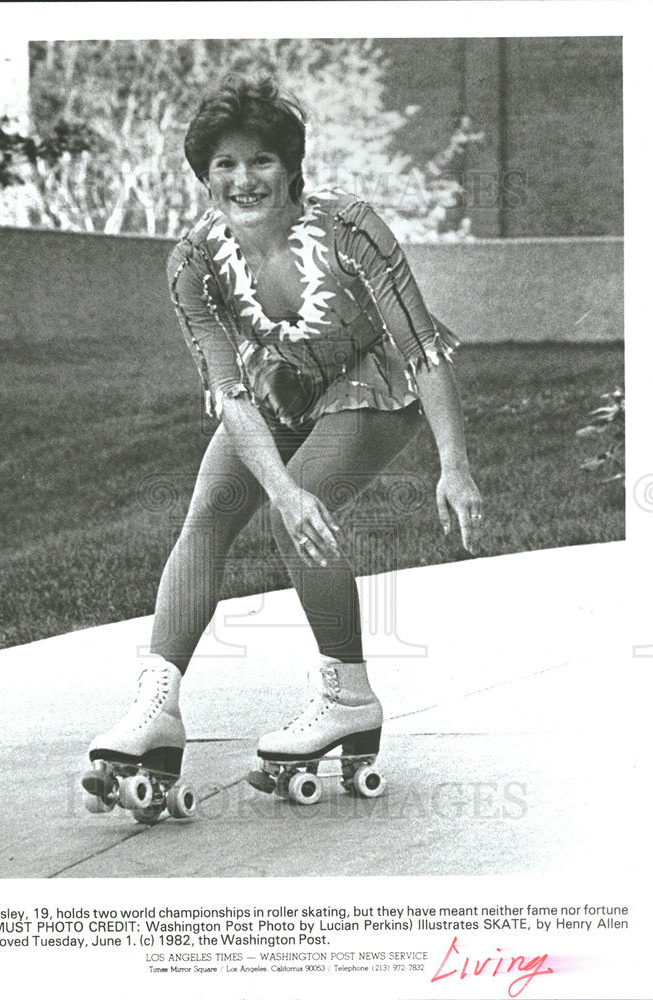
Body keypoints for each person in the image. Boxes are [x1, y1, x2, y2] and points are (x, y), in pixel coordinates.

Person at [85, 76, 483, 798]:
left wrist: (452, 462)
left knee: (297, 514)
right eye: (225, 166)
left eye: (261, 160)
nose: (245, 179)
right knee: (210, 510)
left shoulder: (350, 227)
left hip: (375, 375)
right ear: (205, 178)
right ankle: (156, 705)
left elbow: (421, 348)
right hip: (279, 382)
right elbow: (228, 391)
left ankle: (346, 695)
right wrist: (278, 479)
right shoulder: (193, 263)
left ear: (290, 165)